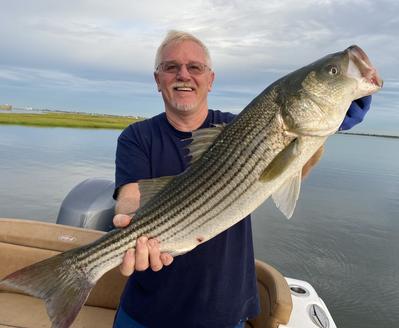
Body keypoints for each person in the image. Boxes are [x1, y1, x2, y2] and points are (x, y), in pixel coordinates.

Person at [112, 30, 372, 328]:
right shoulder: (136, 137)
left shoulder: (241, 126)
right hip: (146, 310)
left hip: (224, 309)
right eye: (171, 67)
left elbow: (291, 171)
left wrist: (327, 128)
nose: (183, 75)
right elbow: (132, 197)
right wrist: (128, 222)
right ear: (158, 80)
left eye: (195, 67)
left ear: (210, 79)